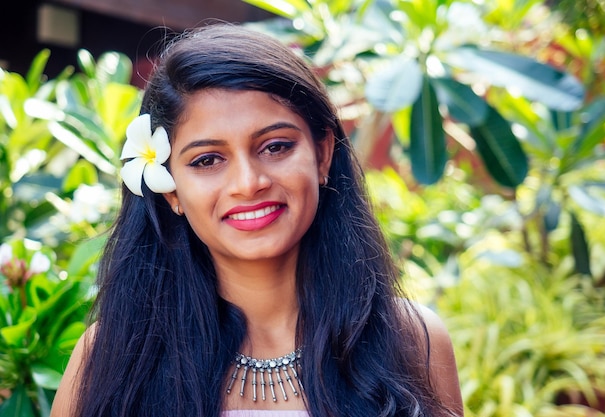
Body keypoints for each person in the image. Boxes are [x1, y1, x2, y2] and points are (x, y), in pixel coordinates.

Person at [51, 23, 463, 417]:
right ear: (170, 188)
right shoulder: (111, 356)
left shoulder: (413, 341)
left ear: (322, 154)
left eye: (275, 147)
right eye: (207, 160)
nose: (249, 183)